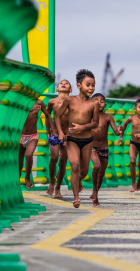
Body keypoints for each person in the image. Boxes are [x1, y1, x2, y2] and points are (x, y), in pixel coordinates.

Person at [55, 69, 100, 208]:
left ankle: (78, 181)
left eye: (93, 85)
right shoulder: (70, 100)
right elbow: (57, 116)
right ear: (79, 85)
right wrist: (61, 133)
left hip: (87, 140)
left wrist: (82, 127)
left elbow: (95, 123)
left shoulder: (94, 104)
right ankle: (76, 198)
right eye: (88, 85)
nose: (91, 88)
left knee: (84, 171)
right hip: (72, 139)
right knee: (74, 166)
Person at [89, 93, 122, 206]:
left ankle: (96, 195)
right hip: (91, 147)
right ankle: (94, 190)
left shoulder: (108, 117)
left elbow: (116, 133)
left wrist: (119, 130)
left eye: (102, 101)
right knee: (96, 166)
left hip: (104, 148)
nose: (99, 102)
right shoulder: (88, 116)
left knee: (101, 173)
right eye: (96, 100)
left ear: (105, 105)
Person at [117, 99, 140, 193]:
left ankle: (139, 181)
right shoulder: (131, 118)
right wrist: (120, 137)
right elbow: (124, 126)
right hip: (133, 143)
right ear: (135, 109)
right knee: (132, 161)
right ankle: (133, 184)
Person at [45, 79, 72, 198]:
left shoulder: (73, 102)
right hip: (55, 133)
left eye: (66, 83)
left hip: (68, 135)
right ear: (57, 89)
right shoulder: (52, 102)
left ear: (70, 90)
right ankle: (51, 181)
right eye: (61, 83)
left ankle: (58, 188)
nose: (64, 84)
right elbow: (47, 116)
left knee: (63, 162)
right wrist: (48, 132)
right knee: (54, 157)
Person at [19, 99, 53, 189]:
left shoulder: (39, 102)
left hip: (32, 136)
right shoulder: (20, 100)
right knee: (19, 162)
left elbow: (48, 116)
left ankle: (27, 177)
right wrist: (30, 108)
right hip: (19, 135)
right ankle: (17, 179)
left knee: (29, 154)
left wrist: (51, 130)